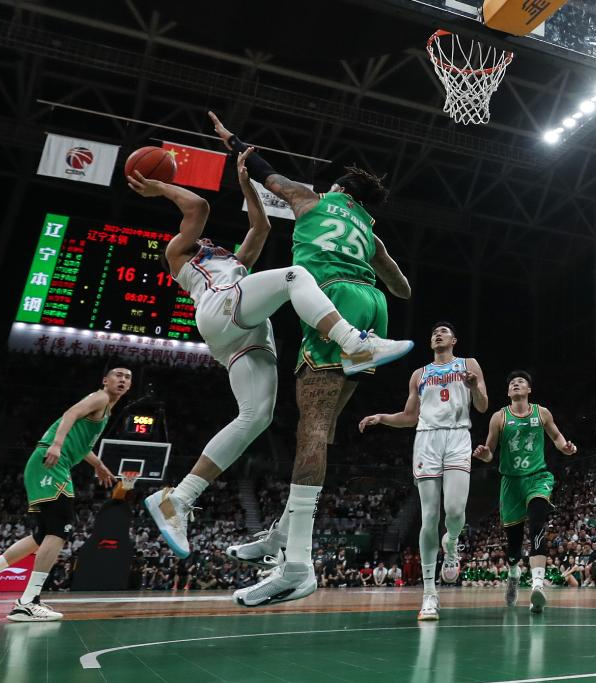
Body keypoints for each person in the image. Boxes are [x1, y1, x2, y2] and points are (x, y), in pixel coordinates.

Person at [130, 151, 411, 562]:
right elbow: (198, 206)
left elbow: (260, 227)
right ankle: (352, 339)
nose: (205, 238)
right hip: (220, 307)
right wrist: (160, 187)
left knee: (256, 417)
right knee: (296, 275)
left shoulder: (232, 261)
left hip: (242, 333)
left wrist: (247, 185)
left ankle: (179, 499)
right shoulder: (181, 254)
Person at [207, 111, 413, 607]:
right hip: (374, 307)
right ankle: (281, 535)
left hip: (335, 300)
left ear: (337, 188)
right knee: (325, 428)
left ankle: (297, 564)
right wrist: (367, 255)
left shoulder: (310, 199)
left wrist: (233, 140)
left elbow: (262, 168)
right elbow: (403, 288)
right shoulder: (370, 232)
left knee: (312, 430)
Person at [0, 368, 126, 622]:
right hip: (52, 462)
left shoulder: (105, 407)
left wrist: (98, 464)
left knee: (42, 535)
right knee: (61, 528)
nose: (123, 379)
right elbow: (70, 414)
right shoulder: (100, 397)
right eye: (118, 375)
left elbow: (81, 444)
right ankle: (27, 602)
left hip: (50, 462)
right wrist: (56, 444)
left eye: (127, 377)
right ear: (105, 380)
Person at [358, 322, 487, 621]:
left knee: (454, 511)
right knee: (429, 516)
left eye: (444, 332)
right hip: (427, 439)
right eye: (434, 333)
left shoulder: (469, 364)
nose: (437, 334)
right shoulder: (419, 374)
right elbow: (409, 416)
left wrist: (473, 387)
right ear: (431, 342)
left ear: (454, 339)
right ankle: (429, 593)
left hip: (458, 436)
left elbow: (482, 405)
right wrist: (382, 417)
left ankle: (451, 543)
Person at [473, 371, 577, 613]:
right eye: (512, 383)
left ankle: (537, 586)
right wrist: (484, 454)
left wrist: (566, 448)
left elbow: (558, 438)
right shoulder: (499, 417)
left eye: (521, 382)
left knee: (538, 523)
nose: (516, 384)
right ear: (508, 392)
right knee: (514, 545)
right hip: (511, 483)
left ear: (529, 389)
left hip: (537, 477)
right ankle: (513, 573)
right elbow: (490, 452)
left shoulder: (542, 413)